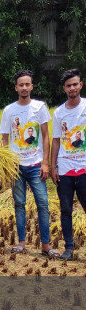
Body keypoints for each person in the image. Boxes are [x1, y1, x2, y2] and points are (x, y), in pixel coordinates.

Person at [0, 70, 54, 257]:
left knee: (43, 204)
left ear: (32, 86)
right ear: (16, 88)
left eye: (27, 84)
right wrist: (5, 164)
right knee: (19, 204)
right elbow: (5, 140)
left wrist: (45, 163)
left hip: (36, 165)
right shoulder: (9, 110)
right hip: (16, 166)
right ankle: (21, 243)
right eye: (20, 85)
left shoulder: (40, 107)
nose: (24, 87)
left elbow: (46, 136)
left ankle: (46, 245)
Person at [51, 68, 85, 261]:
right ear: (64, 88)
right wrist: (53, 166)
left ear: (80, 85)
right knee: (66, 210)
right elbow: (56, 140)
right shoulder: (59, 113)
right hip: (65, 169)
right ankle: (69, 248)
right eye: (68, 85)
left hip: (85, 169)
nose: (72, 88)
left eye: (75, 84)